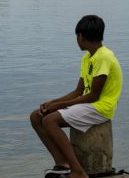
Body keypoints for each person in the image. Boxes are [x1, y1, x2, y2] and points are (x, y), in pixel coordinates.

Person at [30, 15, 123, 178]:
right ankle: (62, 163)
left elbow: (94, 96)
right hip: (89, 104)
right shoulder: (88, 58)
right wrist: (53, 102)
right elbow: (79, 91)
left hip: (101, 107)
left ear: (80, 36)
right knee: (36, 117)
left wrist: (58, 107)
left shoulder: (104, 57)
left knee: (50, 120)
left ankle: (78, 171)